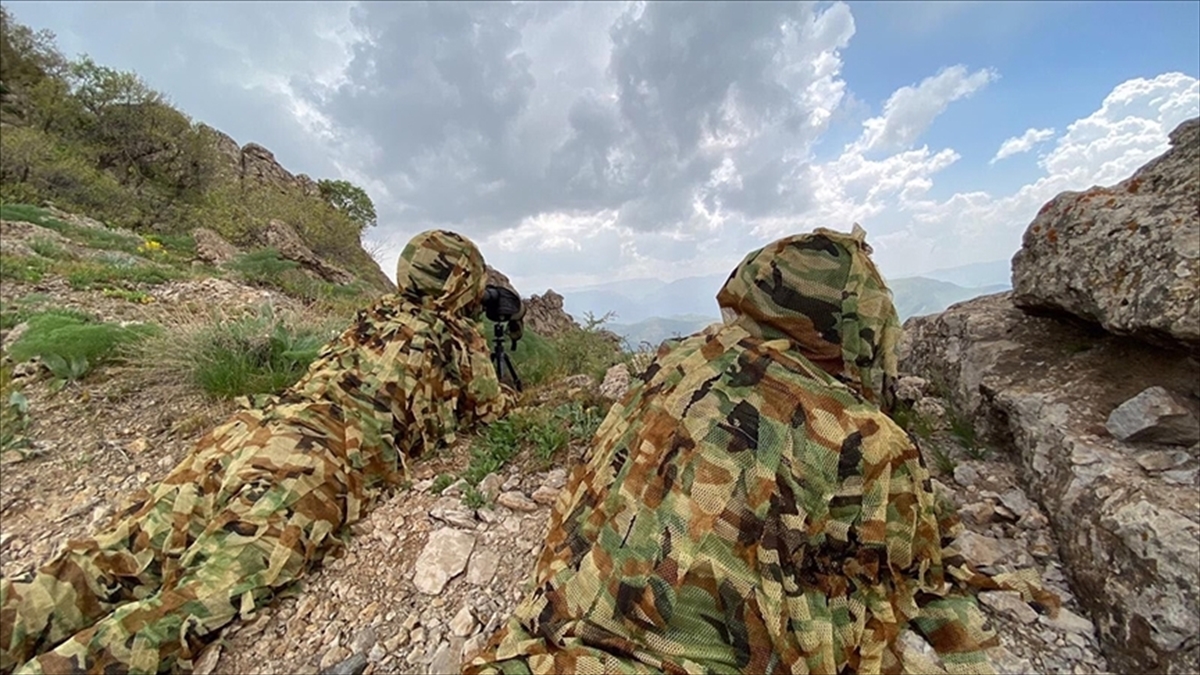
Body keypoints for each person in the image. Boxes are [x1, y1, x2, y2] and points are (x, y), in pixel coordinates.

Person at [466, 225, 1058, 675]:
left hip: (544, 642)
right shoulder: (867, 439)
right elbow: (902, 570)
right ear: (861, 328)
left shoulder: (675, 362)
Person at [0, 230, 513, 675]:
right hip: (308, 464)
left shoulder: (373, 315)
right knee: (187, 607)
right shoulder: (456, 339)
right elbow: (491, 411)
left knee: (105, 560)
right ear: (462, 285)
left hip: (245, 434)